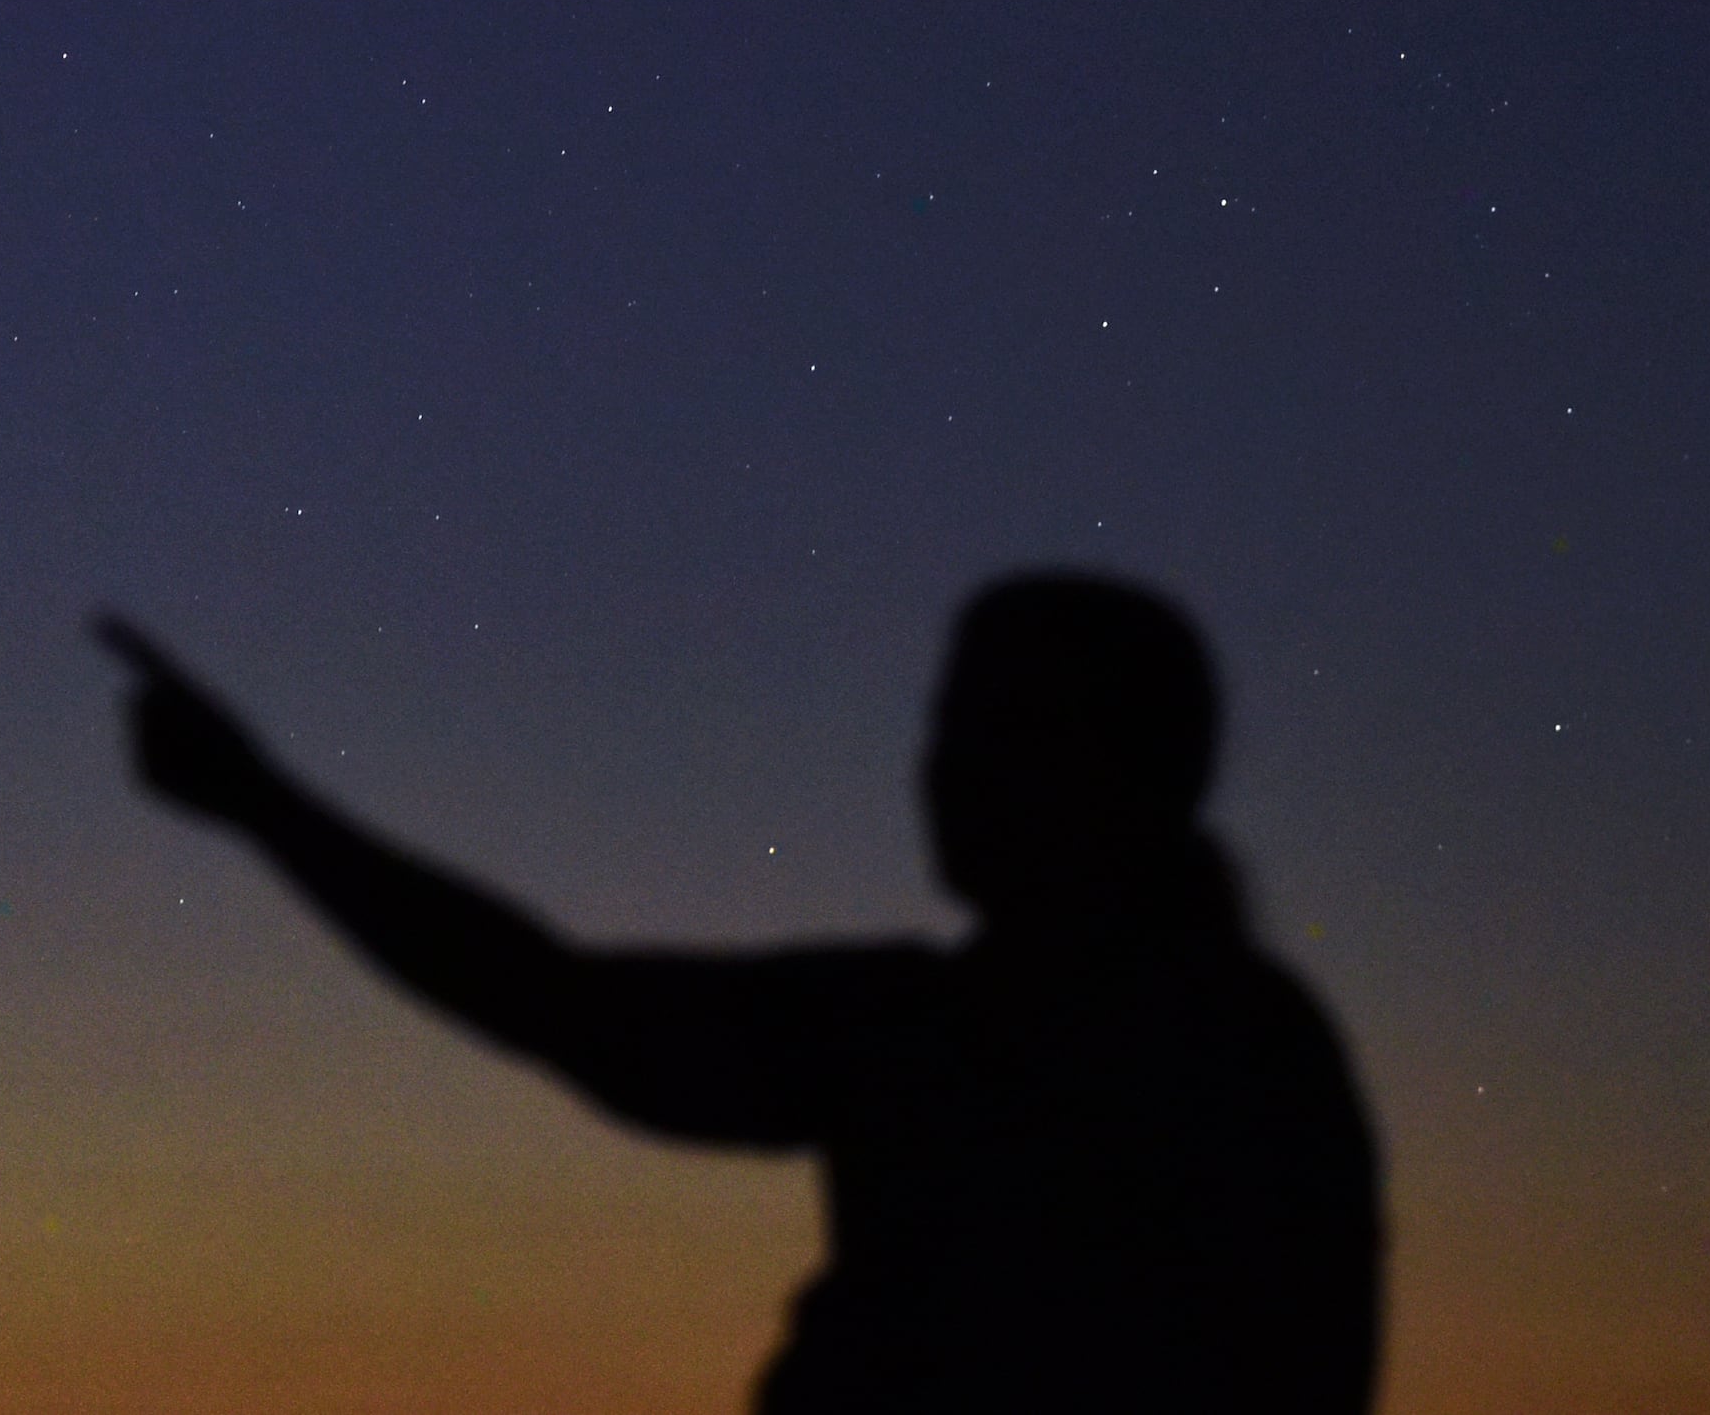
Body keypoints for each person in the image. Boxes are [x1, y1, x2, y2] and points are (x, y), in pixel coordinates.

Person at [100, 573, 1381, 1412]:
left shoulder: (1054, 1041)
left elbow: (564, 1009)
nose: (936, 770)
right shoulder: (1196, 1037)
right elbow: (568, 1007)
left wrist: (262, 805)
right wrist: (261, 806)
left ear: (1125, 766)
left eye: (998, 727)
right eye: (943, 726)